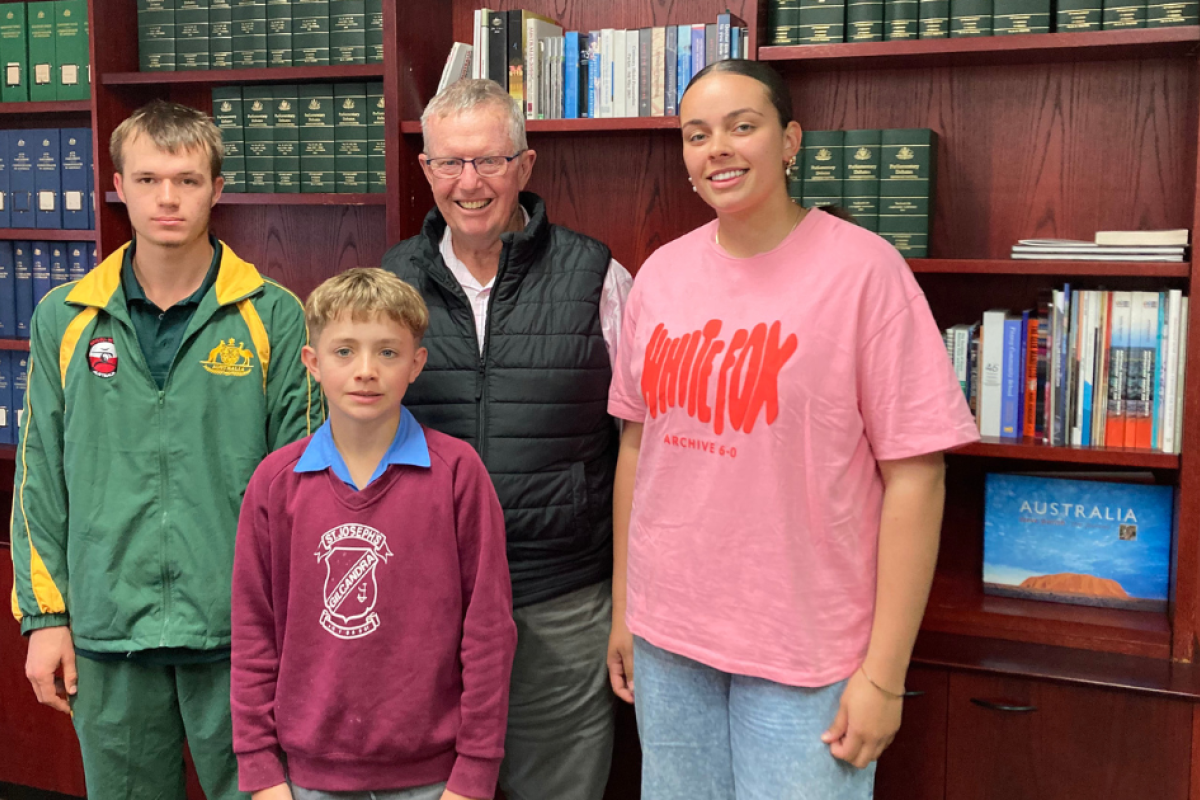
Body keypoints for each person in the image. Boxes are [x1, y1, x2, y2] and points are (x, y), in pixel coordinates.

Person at [606, 60, 980, 799]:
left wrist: (885, 673)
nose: (718, 148)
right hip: (670, 638)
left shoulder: (866, 271)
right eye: (697, 134)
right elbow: (636, 447)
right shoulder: (659, 276)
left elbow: (917, 475)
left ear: (789, 141)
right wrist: (626, 610)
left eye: (743, 126)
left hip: (806, 649)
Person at [11, 100, 321, 800]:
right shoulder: (63, 316)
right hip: (106, 635)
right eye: (148, 180)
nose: (168, 198)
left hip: (243, 639)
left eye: (186, 179)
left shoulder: (273, 314)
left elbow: (305, 487)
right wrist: (46, 618)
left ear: (217, 188)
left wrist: (299, 630)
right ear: (117, 185)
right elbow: (39, 480)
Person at [381, 79, 630, 800]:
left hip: (560, 603)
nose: (470, 182)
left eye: (490, 161)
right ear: (426, 171)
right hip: (425, 604)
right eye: (451, 164)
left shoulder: (599, 278)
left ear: (525, 166)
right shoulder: (388, 285)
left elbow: (645, 449)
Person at [230, 268, 517, 800]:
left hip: (433, 778)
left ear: (416, 364)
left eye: (387, 352)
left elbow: (488, 634)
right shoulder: (275, 482)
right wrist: (261, 770)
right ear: (311, 363)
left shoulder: (457, 473)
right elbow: (253, 634)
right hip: (305, 777)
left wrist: (475, 772)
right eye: (344, 352)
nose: (365, 371)